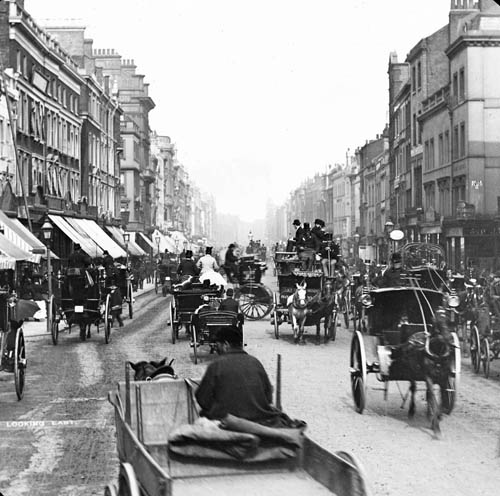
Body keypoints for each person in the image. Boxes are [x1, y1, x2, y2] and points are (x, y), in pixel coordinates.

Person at [195, 325, 281, 425]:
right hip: (259, 420)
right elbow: (268, 397)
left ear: (225, 345)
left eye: (217, 345)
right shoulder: (255, 362)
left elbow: (202, 398)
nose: (216, 349)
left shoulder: (216, 365)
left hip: (227, 422)